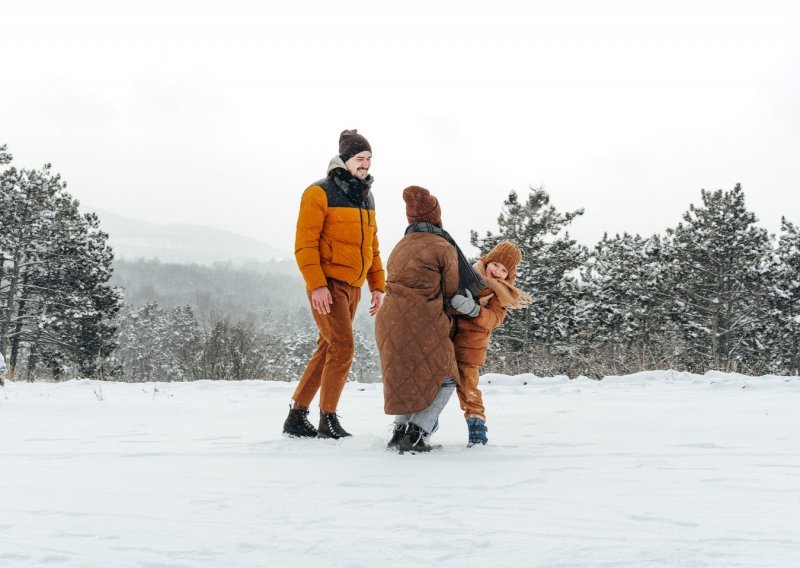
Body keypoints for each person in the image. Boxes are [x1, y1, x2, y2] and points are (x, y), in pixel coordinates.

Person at [282, 129, 385, 439]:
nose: (365, 164)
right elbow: (305, 243)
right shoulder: (319, 192)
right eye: (359, 158)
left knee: (328, 347)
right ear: (344, 160)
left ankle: (297, 416)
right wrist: (316, 285)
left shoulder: (367, 197)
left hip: (353, 287)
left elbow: (373, 247)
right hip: (327, 285)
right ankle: (328, 418)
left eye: (368, 159)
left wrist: (378, 285)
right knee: (343, 346)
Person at [376, 185, 480, 453]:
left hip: (389, 320)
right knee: (446, 377)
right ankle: (417, 434)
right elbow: (450, 293)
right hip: (423, 320)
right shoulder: (443, 246)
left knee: (409, 376)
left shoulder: (400, 245)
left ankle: (399, 433)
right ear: (436, 215)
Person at [450, 241, 532, 446]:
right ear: (487, 261)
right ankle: (425, 422)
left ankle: (476, 423)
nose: (497, 272)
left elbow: (493, 319)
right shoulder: (466, 276)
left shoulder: (500, 294)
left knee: (468, 388)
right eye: (495, 265)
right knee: (435, 385)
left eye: (504, 270)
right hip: (445, 338)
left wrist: (474, 310)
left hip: (470, 347)